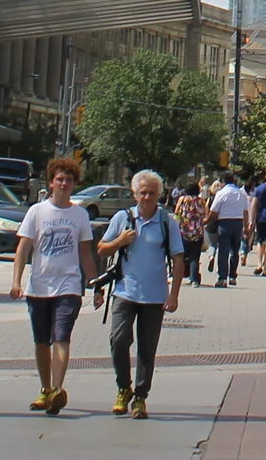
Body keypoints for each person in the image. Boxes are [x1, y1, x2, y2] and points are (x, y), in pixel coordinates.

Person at [12, 155, 100, 412]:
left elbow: (86, 252)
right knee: (42, 341)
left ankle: (58, 390)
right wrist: (16, 281)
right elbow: (23, 248)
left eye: (69, 180)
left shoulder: (80, 215)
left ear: (74, 184)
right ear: (51, 183)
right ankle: (46, 388)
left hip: (69, 286)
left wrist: (94, 284)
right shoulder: (36, 212)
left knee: (61, 336)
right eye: (59, 179)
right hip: (39, 285)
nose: (64, 184)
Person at [98, 170, 187, 418]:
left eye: (151, 193)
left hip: (154, 296)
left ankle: (140, 396)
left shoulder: (167, 222)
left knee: (147, 349)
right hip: (125, 292)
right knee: (118, 340)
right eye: (142, 193)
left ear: (159, 194)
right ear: (134, 193)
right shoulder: (122, 218)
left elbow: (178, 260)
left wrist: (174, 295)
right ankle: (123, 388)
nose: (147, 197)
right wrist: (119, 242)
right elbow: (102, 250)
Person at [210, 171, 251, 286]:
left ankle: (222, 278)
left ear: (223, 182)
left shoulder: (221, 193)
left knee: (223, 251)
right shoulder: (241, 194)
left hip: (224, 223)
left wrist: (206, 220)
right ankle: (232, 276)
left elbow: (214, 211)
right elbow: (245, 211)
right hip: (238, 223)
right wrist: (246, 226)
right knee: (235, 250)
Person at [175, 183, 208, 287]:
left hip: (184, 232)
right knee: (195, 257)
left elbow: (177, 213)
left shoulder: (182, 200)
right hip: (197, 232)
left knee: (181, 256)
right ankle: (194, 280)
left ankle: (179, 276)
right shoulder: (201, 201)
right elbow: (204, 214)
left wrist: (178, 223)